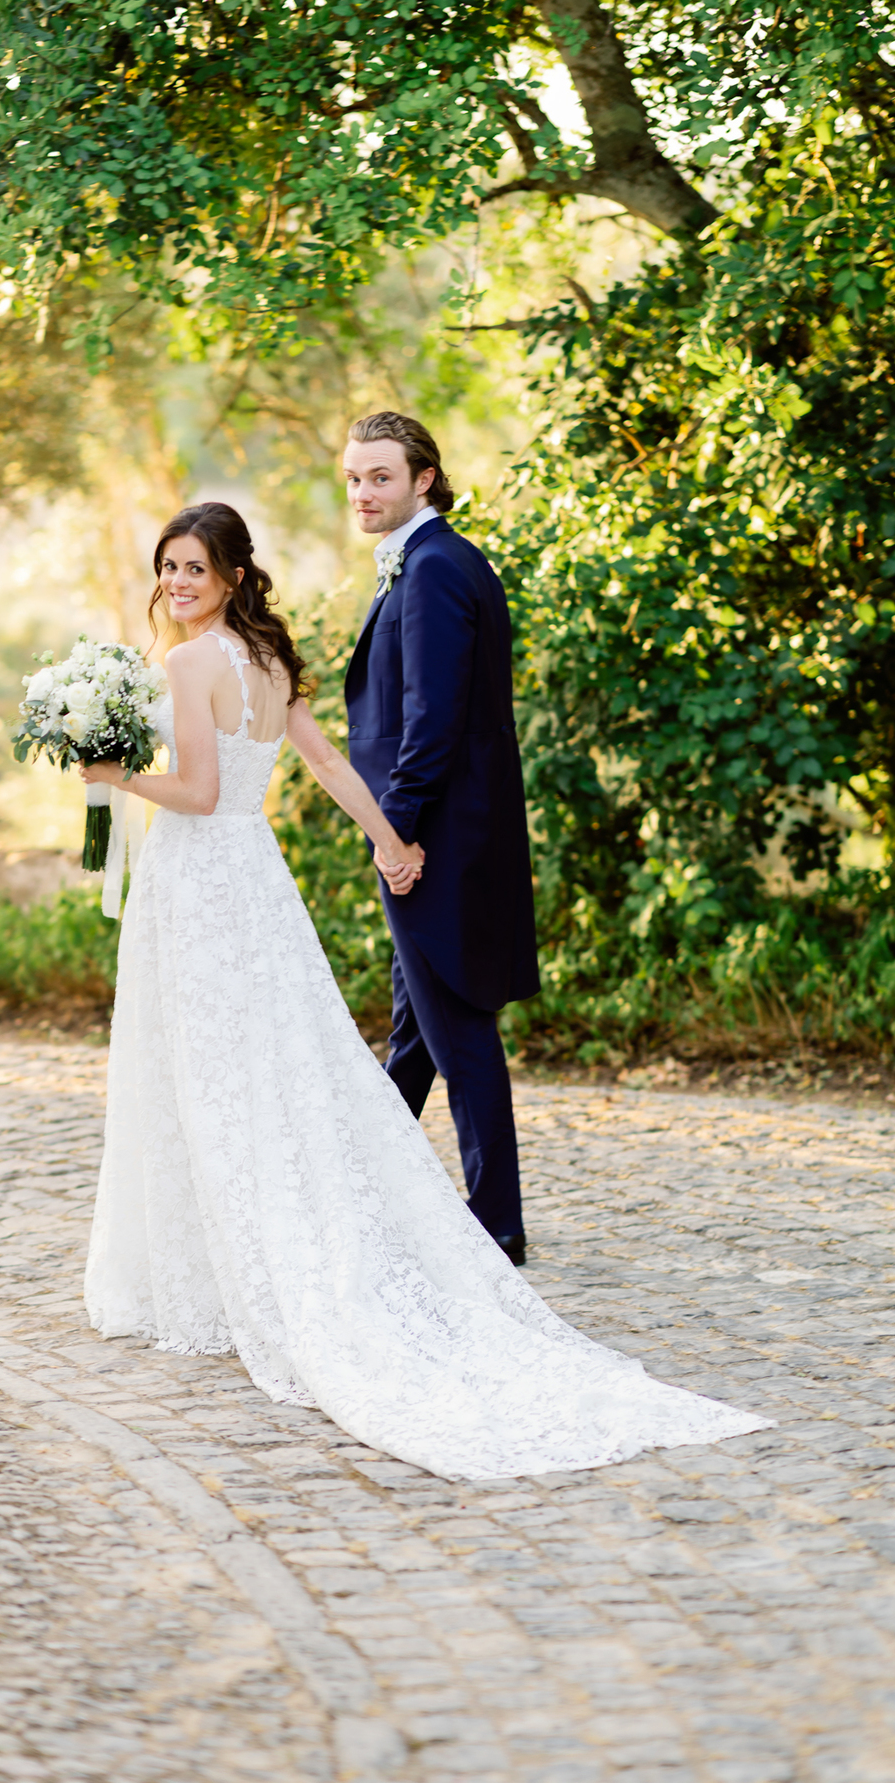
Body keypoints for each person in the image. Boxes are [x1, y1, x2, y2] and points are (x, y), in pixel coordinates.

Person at [80, 500, 770, 1480]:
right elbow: (325, 762)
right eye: (168, 567)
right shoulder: (270, 660)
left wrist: (117, 777)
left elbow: (196, 793)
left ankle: (218, 1276)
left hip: (198, 880)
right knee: (268, 1064)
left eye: (194, 567)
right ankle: (226, 1257)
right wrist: (390, 841)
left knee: (204, 1070)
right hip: (254, 879)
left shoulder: (193, 663)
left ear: (232, 576)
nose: (177, 583)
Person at [343, 411, 536, 1265]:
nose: (362, 492)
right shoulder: (435, 562)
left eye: (380, 476)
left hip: (435, 841)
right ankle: (366, 1194)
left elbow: (433, 721)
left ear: (424, 478)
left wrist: (398, 833)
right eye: (353, 478)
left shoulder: (432, 570)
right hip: (446, 832)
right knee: (418, 1035)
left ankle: (496, 1223)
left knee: (457, 1028)